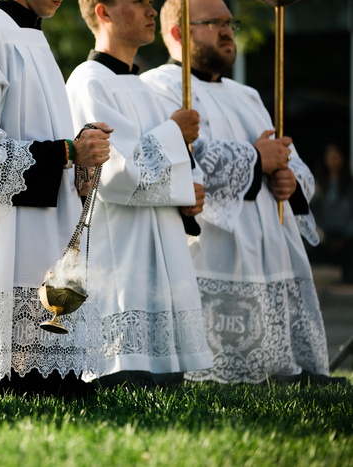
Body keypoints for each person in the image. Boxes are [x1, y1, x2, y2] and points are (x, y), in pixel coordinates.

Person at [142, 0, 329, 383]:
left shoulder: (248, 96)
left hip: (271, 243)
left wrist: (289, 179)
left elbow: (286, 158)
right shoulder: (156, 89)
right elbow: (184, 159)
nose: (228, 31)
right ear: (178, 33)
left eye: (230, 22)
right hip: (212, 245)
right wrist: (257, 159)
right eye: (214, 23)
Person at [0, 0, 112, 390]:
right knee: (15, 376)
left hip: (48, 218)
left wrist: (79, 164)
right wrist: (66, 151)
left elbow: (47, 135)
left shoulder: (35, 37)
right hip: (9, 226)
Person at [66, 0, 212, 385]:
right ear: (104, 12)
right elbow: (114, 175)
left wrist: (185, 197)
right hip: (119, 248)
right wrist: (173, 134)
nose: (152, 10)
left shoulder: (143, 87)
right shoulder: (88, 81)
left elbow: (162, 172)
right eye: (139, 2)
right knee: (127, 373)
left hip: (160, 244)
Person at [309, 142, 353, 284]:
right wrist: (322, 234)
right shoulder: (319, 183)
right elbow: (313, 212)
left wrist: (346, 234)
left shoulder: (349, 184)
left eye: (336, 155)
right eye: (330, 155)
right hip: (325, 232)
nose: (333, 159)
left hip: (345, 233)